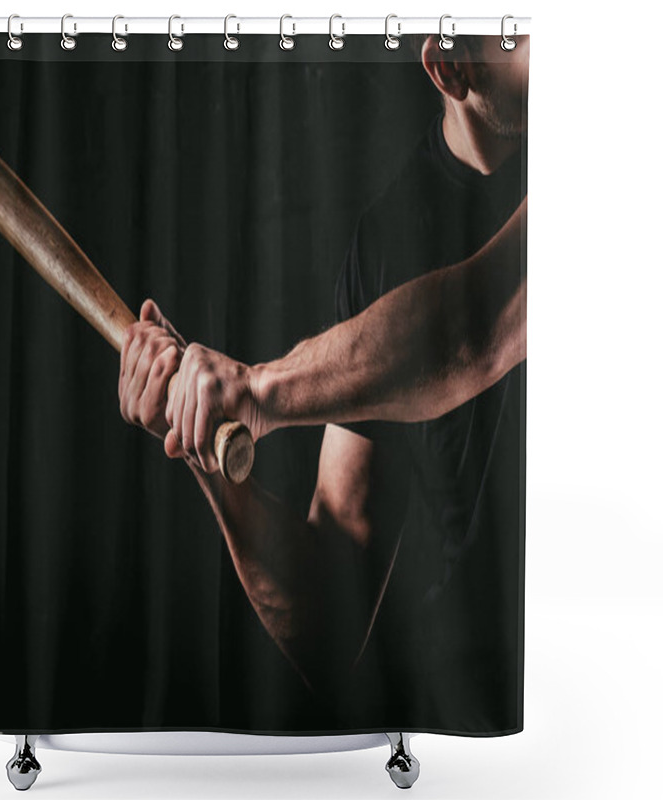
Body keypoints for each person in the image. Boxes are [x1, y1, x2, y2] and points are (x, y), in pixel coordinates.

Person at [117, 33, 529, 703]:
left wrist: (255, 389)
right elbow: (328, 623)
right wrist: (204, 440)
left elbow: (475, 332)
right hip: (472, 706)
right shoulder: (389, 241)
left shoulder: (602, 138)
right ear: (451, 65)